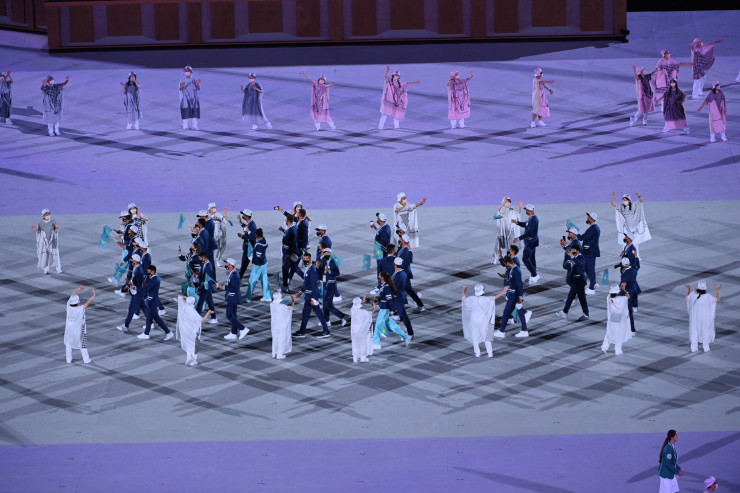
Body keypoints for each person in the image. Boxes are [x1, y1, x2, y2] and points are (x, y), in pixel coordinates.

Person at [462, 284, 507, 358]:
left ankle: (477, 353)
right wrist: (504, 291)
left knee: (475, 336)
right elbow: (495, 297)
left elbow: (464, 300)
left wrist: (464, 290)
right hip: (484, 321)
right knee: (487, 336)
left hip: (473, 320)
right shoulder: (486, 299)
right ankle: (490, 353)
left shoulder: (471, 298)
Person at [293, 252, 331, 339]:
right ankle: (303, 331)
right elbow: (306, 283)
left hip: (311, 297)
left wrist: (314, 298)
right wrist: (300, 292)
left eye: (307, 259)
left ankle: (324, 331)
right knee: (308, 314)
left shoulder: (312, 270)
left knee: (311, 314)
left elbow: (314, 285)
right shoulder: (308, 269)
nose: (305, 260)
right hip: (308, 296)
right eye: (304, 259)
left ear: (310, 259)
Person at [493, 256, 532, 338]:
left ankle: (502, 331)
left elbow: (519, 284)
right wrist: (506, 277)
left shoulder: (516, 270)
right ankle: (524, 330)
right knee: (519, 311)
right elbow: (513, 280)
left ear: (507, 262)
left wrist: (520, 298)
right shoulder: (513, 269)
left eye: (505, 264)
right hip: (513, 294)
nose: (505, 265)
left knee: (506, 312)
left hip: (514, 295)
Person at [373, 271, 411, 349]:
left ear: (382, 277)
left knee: (378, 325)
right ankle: (405, 337)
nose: (378, 276)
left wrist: (391, 311)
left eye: (379, 275)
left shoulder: (386, 287)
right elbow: (384, 297)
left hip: (385, 309)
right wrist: (379, 298)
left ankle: (376, 343)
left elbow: (389, 299)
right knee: (392, 325)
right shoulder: (383, 286)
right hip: (383, 308)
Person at [379, 66, 421, 130]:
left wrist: (415, 82)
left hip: (396, 101)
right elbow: (385, 76)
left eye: (397, 76)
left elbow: (407, 83)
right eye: (395, 75)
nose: (396, 76)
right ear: (393, 75)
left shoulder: (401, 84)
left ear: (398, 77)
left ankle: (396, 126)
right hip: (389, 100)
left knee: (397, 113)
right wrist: (387, 70)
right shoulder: (389, 80)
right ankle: (380, 126)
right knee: (384, 113)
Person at [556, 245, 590, 322]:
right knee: (571, 297)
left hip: (580, 281)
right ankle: (565, 312)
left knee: (580, 298)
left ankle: (585, 314)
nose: (572, 251)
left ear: (578, 251)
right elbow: (567, 266)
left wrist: (572, 257)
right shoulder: (574, 258)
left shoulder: (581, 258)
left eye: (573, 250)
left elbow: (579, 263)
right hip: (575, 280)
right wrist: (568, 256)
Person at [175, 295, 211, 367]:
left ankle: (188, 358)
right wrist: (208, 313)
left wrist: (188, 299)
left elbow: (179, 296)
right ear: (193, 303)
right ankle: (194, 360)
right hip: (193, 332)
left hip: (184, 331)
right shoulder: (193, 312)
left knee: (188, 345)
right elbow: (202, 320)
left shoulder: (183, 307)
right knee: (195, 346)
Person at [139, 265, 173, 340]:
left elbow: (147, 288)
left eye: (149, 271)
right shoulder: (154, 278)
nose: (148, 273)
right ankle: (146, 333)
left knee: (156, 318)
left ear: (153, 271)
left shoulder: (154, 279)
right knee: (149, 317)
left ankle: (168, 332)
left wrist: (141, 286)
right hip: (151, 300)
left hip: (152, 301)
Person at [116, 254, 148, 333]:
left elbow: (139, 283)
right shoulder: (136, 268)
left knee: (131, 309)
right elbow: (136, 281)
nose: (131, 260)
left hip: (137, 293)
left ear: (136, 261)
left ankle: (126, 325)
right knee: (144, 307)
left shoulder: (138, 270)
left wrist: (132, 285)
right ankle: (151, 321)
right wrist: (129, 283)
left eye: (133, 259)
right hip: (137, 292)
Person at [685, 281, 720, 353]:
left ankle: (694, 347)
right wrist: (717, 290)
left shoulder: (693, 294)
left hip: (695, 318)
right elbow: (717, 300)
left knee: (694, 331)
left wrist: (688, 288)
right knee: (705, 331)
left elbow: (687, 297)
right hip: (705, 318)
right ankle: (705, 347)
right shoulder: (708, 296)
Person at [64, 286, 95, 364]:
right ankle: (86, 359)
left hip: (69, 330)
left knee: (68, 344)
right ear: (77, 302)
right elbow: (88, 303)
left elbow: (72, 295)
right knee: (82, 344)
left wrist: (79, 289)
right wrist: (93, 296)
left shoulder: (68, 306)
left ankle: (68, 359)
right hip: (79, 331)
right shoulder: (80, 309)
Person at [219, 258, 248, 341]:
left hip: (233, 298)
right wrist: (225, 285)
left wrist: (224, 287)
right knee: (233, 315)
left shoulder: (235, 275)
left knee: (229, 315)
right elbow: (232, 286)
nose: (226, 265)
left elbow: (234, 289)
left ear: (231, 265)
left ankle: (243, 328)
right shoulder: (233, 273)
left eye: (227, 264)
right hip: (232, 298)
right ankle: (233, 333)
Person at [317, 248, 348, 326]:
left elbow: (337, 273)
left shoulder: (333, 262)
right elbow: (320, 272)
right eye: (325, 253)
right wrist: (318, 267)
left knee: (328, 304)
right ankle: (326, 321)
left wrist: (330, 272)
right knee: (325, 304)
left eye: (328, 253)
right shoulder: (323, 262)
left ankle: (343, 316)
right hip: (324, 284)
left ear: (330, 254)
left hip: (331, 285)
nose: (326, 254)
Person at [600, 284, 632, 355]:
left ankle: (604, 347)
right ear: (617, 292)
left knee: (609, 333)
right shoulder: (621, 299)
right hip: (620, 320)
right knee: (619, 334)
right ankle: (618, 351)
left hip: (612, 319)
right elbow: (628, 296)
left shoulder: (609, 298)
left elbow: (611, 294)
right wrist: (624, 289)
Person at [513, 203, 540, 283]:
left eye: (527, 210)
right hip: (532, 242)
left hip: (530, 243)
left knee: (525, 259)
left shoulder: (534, 220)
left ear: (529, 211)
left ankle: (534, 275)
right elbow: (526, 224)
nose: (526, 211)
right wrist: (517, 222)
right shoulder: (531, 218)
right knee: (531, 259)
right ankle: (534, 276)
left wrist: (518, 238)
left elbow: (529, 233)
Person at [397, 234, 425, 313]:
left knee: (406, 290)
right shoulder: (403, 248)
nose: (400, 239)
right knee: (407, 289)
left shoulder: (406, 251)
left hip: (404, 274)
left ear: (404, 241)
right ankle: (419, 302)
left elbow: (405, 263)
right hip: (403, 273)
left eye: (401, 238)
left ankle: (420, 305)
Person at [244, 228, 272, 302]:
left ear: (256, 235)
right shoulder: (264, 240)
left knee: (252, 280)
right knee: (264, 280)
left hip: (259, 265)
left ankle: (248, 297)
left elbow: (258, 256)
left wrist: (252, 258)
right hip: (264, 263)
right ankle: (267, 296)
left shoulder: (259, 246)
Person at [32, 208, 62, 274]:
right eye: (46, 214)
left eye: (49, 214)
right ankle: (46, 269)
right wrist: (35, 229)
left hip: (53, 241)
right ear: (43, 216)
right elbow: (39, 233)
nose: (48, 215)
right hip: (44, 243)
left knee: (55, 255)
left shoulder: (53, 222)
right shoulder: (40, 224)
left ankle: (58, 269)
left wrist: (57, 227)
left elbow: (56, 232)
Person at [578, 212, 601, 294]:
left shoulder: (593, 229)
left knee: (590, 269)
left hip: (590, 252)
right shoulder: (594, 227)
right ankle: (594, 283)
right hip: (589, 252)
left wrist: (574, 233)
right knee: (586, 268)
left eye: (588, 217)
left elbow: (582, 237)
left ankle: (591, 289)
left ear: (592, 219)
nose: (587, 218)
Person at [494, 197, 521, 262]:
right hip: (504, 231)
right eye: (506, 202)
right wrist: (503, 204)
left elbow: (518, 214)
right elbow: (496, 216)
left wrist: (520, 207)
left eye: (509, 202)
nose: (508, 203)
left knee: (510, 246)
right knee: (506, 246)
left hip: (511, 231)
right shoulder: (502, 211)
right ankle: (507, 259)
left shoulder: (512, 210)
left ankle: (510, 259)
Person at [195, 251, 218, 324]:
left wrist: (202, 285)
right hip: (206, 286)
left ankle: (197, 318)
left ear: (203, 257)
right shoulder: (204, 264)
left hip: (206, 287)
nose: (199, 258)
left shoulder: (208, 266)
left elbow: (207, 278)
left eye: (199, 257)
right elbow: (202, 274)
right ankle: (214, 318)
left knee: (200, 303)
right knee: (210, 302)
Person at [270, 292, 295, 359]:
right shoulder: (282, 306)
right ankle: (279, 355)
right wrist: (293, 300)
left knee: (275, 339)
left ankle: (274, 353)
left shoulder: (271, 305)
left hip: (274, 325)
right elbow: (291, 309)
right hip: (282, 325)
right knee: (281, 339)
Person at [351, 297, 375, 363]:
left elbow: (355, 305)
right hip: (362, 331)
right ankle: (363, 357)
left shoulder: (352, 309)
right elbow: (371, 312)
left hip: (354, 331)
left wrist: (362, 302)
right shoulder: (362, 312)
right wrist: (373, 306)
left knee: (355, 344)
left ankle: (355, 358)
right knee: (363, 344)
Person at [280, 214, 300, 292]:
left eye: (285, 220)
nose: (285, 221)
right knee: (291, 267)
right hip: (287, 251)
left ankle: (285, 286)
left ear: (288, 220)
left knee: (285, 268)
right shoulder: (291, 228)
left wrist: (288, 255)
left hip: (287, 252)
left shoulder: (292, 230)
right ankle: (285, 284)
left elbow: (292, 243)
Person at [619, 258, 639, 333]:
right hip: (634, 290)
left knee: (628, 311)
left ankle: (632, 329)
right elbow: (638, 266)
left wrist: (619, 293)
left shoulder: (624, 275)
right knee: (632, 305)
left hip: (628, 293)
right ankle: (635, 307)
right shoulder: (634, 270)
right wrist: (636, 257)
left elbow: (623, 286)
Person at [179, 66, 201, 130]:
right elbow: (180, 89)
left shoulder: (194, 79)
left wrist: (198, 84)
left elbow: (198, 88)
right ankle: (185, 125)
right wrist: (182, 85)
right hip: (185, 98)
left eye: (188, 71)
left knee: (194, 111)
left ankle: (194, 126)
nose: (187, 72)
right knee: (185, 110)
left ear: (191, 72)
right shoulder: (182, 79)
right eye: (186, 71)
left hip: (194, 98)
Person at [237, 209, 257, 277]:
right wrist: (240, 222)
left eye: (243, 215)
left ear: (246, 216)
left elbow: (252, 237)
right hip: (248, 246)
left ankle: (239, 277)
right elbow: (246, 228)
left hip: (249, 247)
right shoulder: (250, 223)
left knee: (244, 262)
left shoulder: (252, 225)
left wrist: (242, 236)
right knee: (245, 262)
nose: (242, 216)